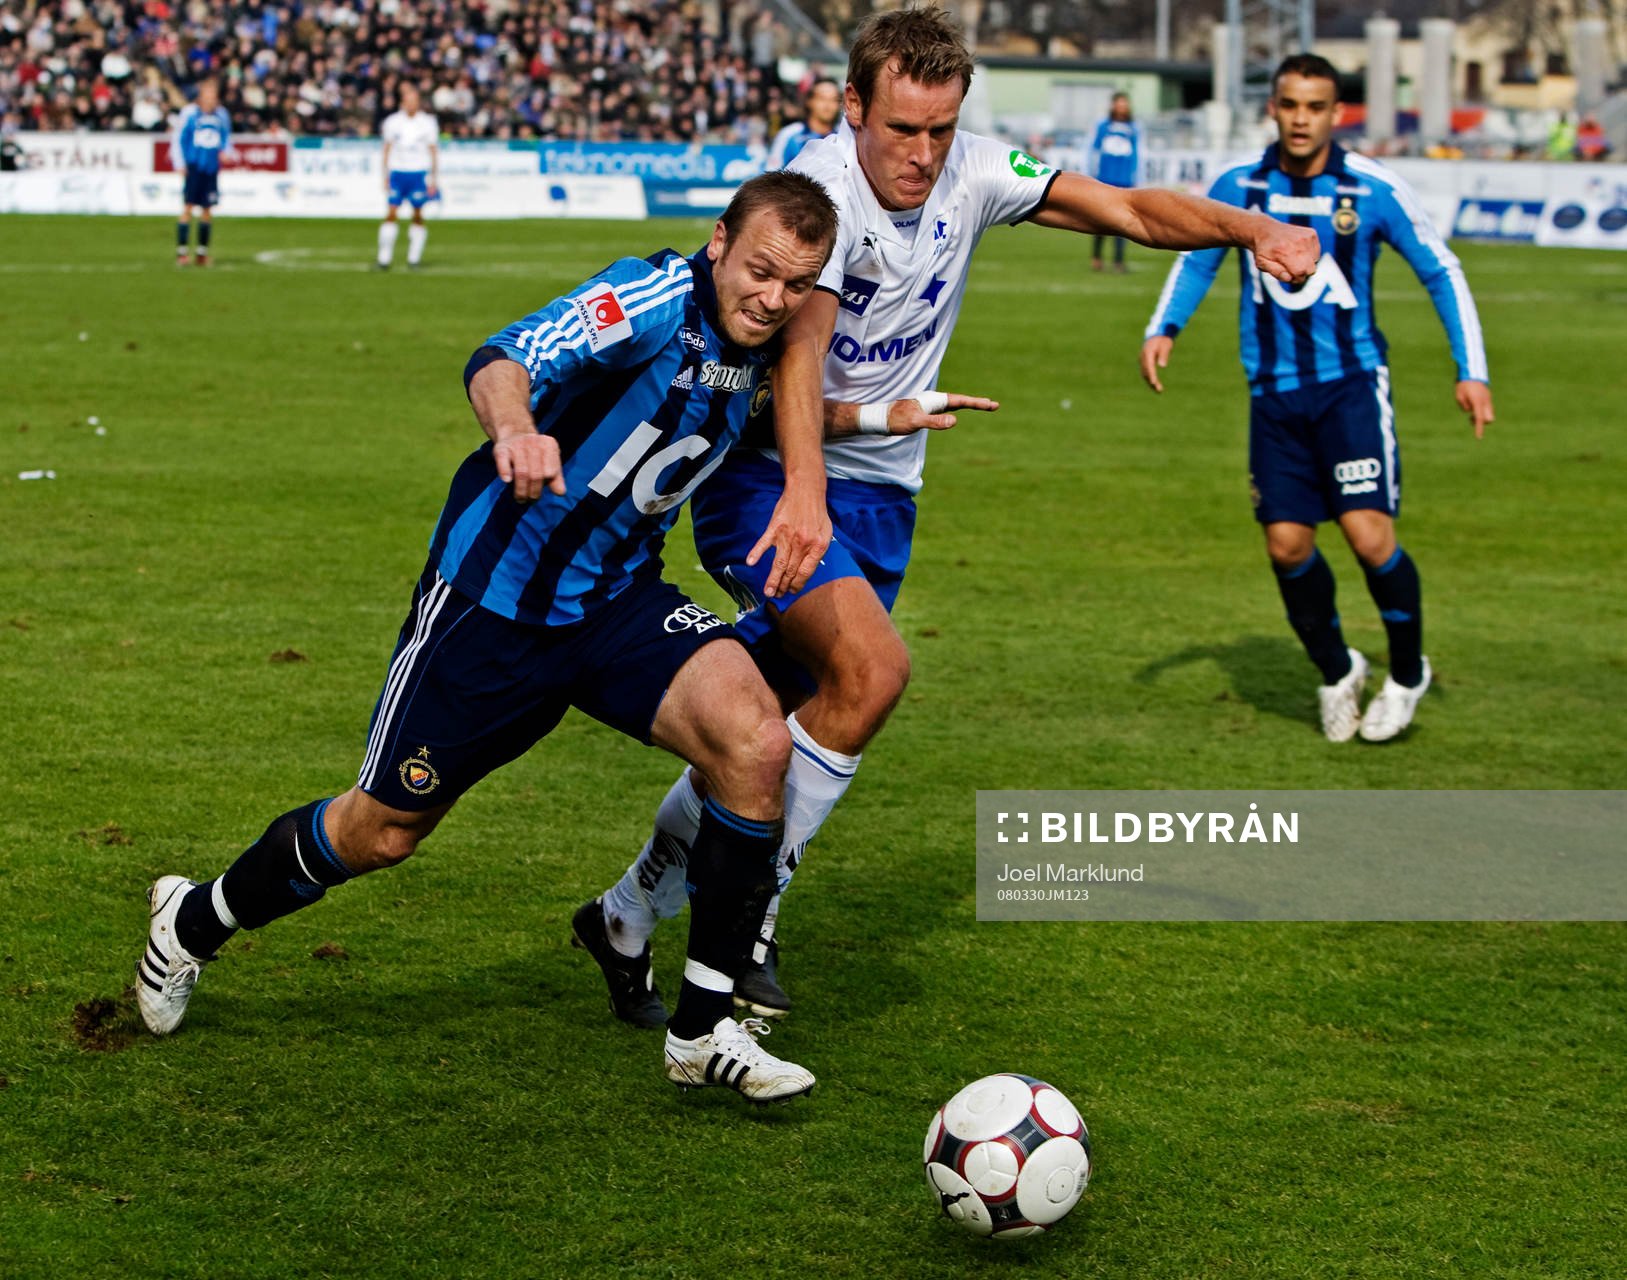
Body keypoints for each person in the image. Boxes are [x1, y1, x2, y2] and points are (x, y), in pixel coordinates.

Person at [572, 5, 1318, 1027]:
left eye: (939, 129)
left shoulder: (971, 166)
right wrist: (801, 493)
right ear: (853, 108)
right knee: (873, 673)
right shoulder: (822, 188)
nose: (921, 155)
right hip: (771, 474)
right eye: (901, 129)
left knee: (772, 736)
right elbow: (795, 357)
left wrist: (1253, 227)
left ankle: (621, 914)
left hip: (885, 490)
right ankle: (747, 918)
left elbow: (1134, 213)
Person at [137, 171, 841, 1104]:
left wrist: (885, 415)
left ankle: (702, 1032)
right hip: (493, 604)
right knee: (380, 833)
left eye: (796, 285)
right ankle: (191, 924)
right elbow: (506, 354)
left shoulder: (765, 339)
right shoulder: (650, 295)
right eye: (759, 271)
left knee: (753, 741)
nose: (773, 299)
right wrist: (515, 429)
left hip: (614, 602)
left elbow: (744, 413)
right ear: (717, 241)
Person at [1139, 53, 1494, 743]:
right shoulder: (1238, 185)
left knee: (1366, 536)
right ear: (1272, 108)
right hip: (1271, 394)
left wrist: (1469, 367)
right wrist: (1164, 327)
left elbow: (1441, 271)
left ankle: (1407, 671)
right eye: (1289, 104)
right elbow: (1195, 254)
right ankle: (1337, 670)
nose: (1301, 119)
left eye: (1315, 107)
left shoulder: (1371, 189)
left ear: (1335, 114)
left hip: (1350, 387)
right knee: (1285, 545)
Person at [376, 82, 440, 271]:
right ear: (403, 102)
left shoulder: (428, 123)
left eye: (414, 101)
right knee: (391, 212)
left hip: (419, 173)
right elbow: (386, 149)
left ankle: (414, 258)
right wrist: (385, 174)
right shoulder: (392, 122)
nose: (411, 104)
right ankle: (384, 259)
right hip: (398, 172)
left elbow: (433, 151)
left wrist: (433, 178)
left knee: (418, 214)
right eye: (408, 101)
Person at [172, 80, 230, 267]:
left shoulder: (221, 115)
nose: (211, 98)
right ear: (201, 95)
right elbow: (179, 138)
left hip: (211, 168)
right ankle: (182, 253)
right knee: (188, 207)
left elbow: (226, 138)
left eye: (214, 94)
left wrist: (226, 151)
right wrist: (180, 163)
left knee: (207, 210)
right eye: (208, 94)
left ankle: (201, 254)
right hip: (194, 166)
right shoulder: (190, 113)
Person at [1088, 91, 1141, 272]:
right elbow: (1093, 151)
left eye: (1124, 103)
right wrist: (1091, 175)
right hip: (1104, 178)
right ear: (1113, 105)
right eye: (1119, 103)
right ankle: (1096, 257)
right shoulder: (1103, 126)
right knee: (1100, 220)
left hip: (1124, 180)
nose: (1121, 107)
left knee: (1123, 221)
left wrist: (1136, 178)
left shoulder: (1134, 128)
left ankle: (1118, 260)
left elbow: (1137, 154)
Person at [766, 77, 841, 171]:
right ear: (809, 101)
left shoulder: (844, 137)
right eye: (822, 98)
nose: (827, 105)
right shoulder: (789, 135)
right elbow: (771, 173)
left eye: (834, 100)